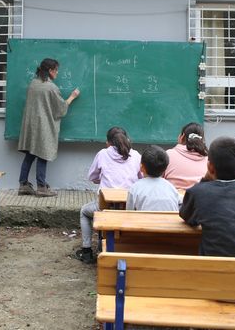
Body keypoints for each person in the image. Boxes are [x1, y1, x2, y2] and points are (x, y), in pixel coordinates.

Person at [74, 127, 142, 264]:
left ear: (108, 143)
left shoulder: (103, 154)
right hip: (128, 207)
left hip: (105, 208)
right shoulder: (136, 155)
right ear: (127, 140)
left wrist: (102, 178)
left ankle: (86, 251)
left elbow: (92, 176)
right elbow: (141, 178)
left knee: (85, 212)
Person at [17, 58, 80, 197]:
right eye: (56, 70)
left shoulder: (33, 84)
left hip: (31, 126)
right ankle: (41, 187)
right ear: (50, 71)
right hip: (43, 126)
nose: (57, 73)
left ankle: (23, 184)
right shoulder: (51, 88)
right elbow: (61, 109)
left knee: (30, 154)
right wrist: (72, 97)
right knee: (43, 154)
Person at [126, 145, 179, 211]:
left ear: (142, 168)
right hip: (170, 221)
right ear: (165, 169)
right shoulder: (172, 188)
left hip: (143, 221)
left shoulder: (135, 188)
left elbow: (129, 212)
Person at [163, 122, 208, 190]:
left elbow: (159, 181)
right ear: (202, 140)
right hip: (199, 199)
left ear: (182, 136)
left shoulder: (168, 155)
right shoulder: (208, 159)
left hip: (174, 199)